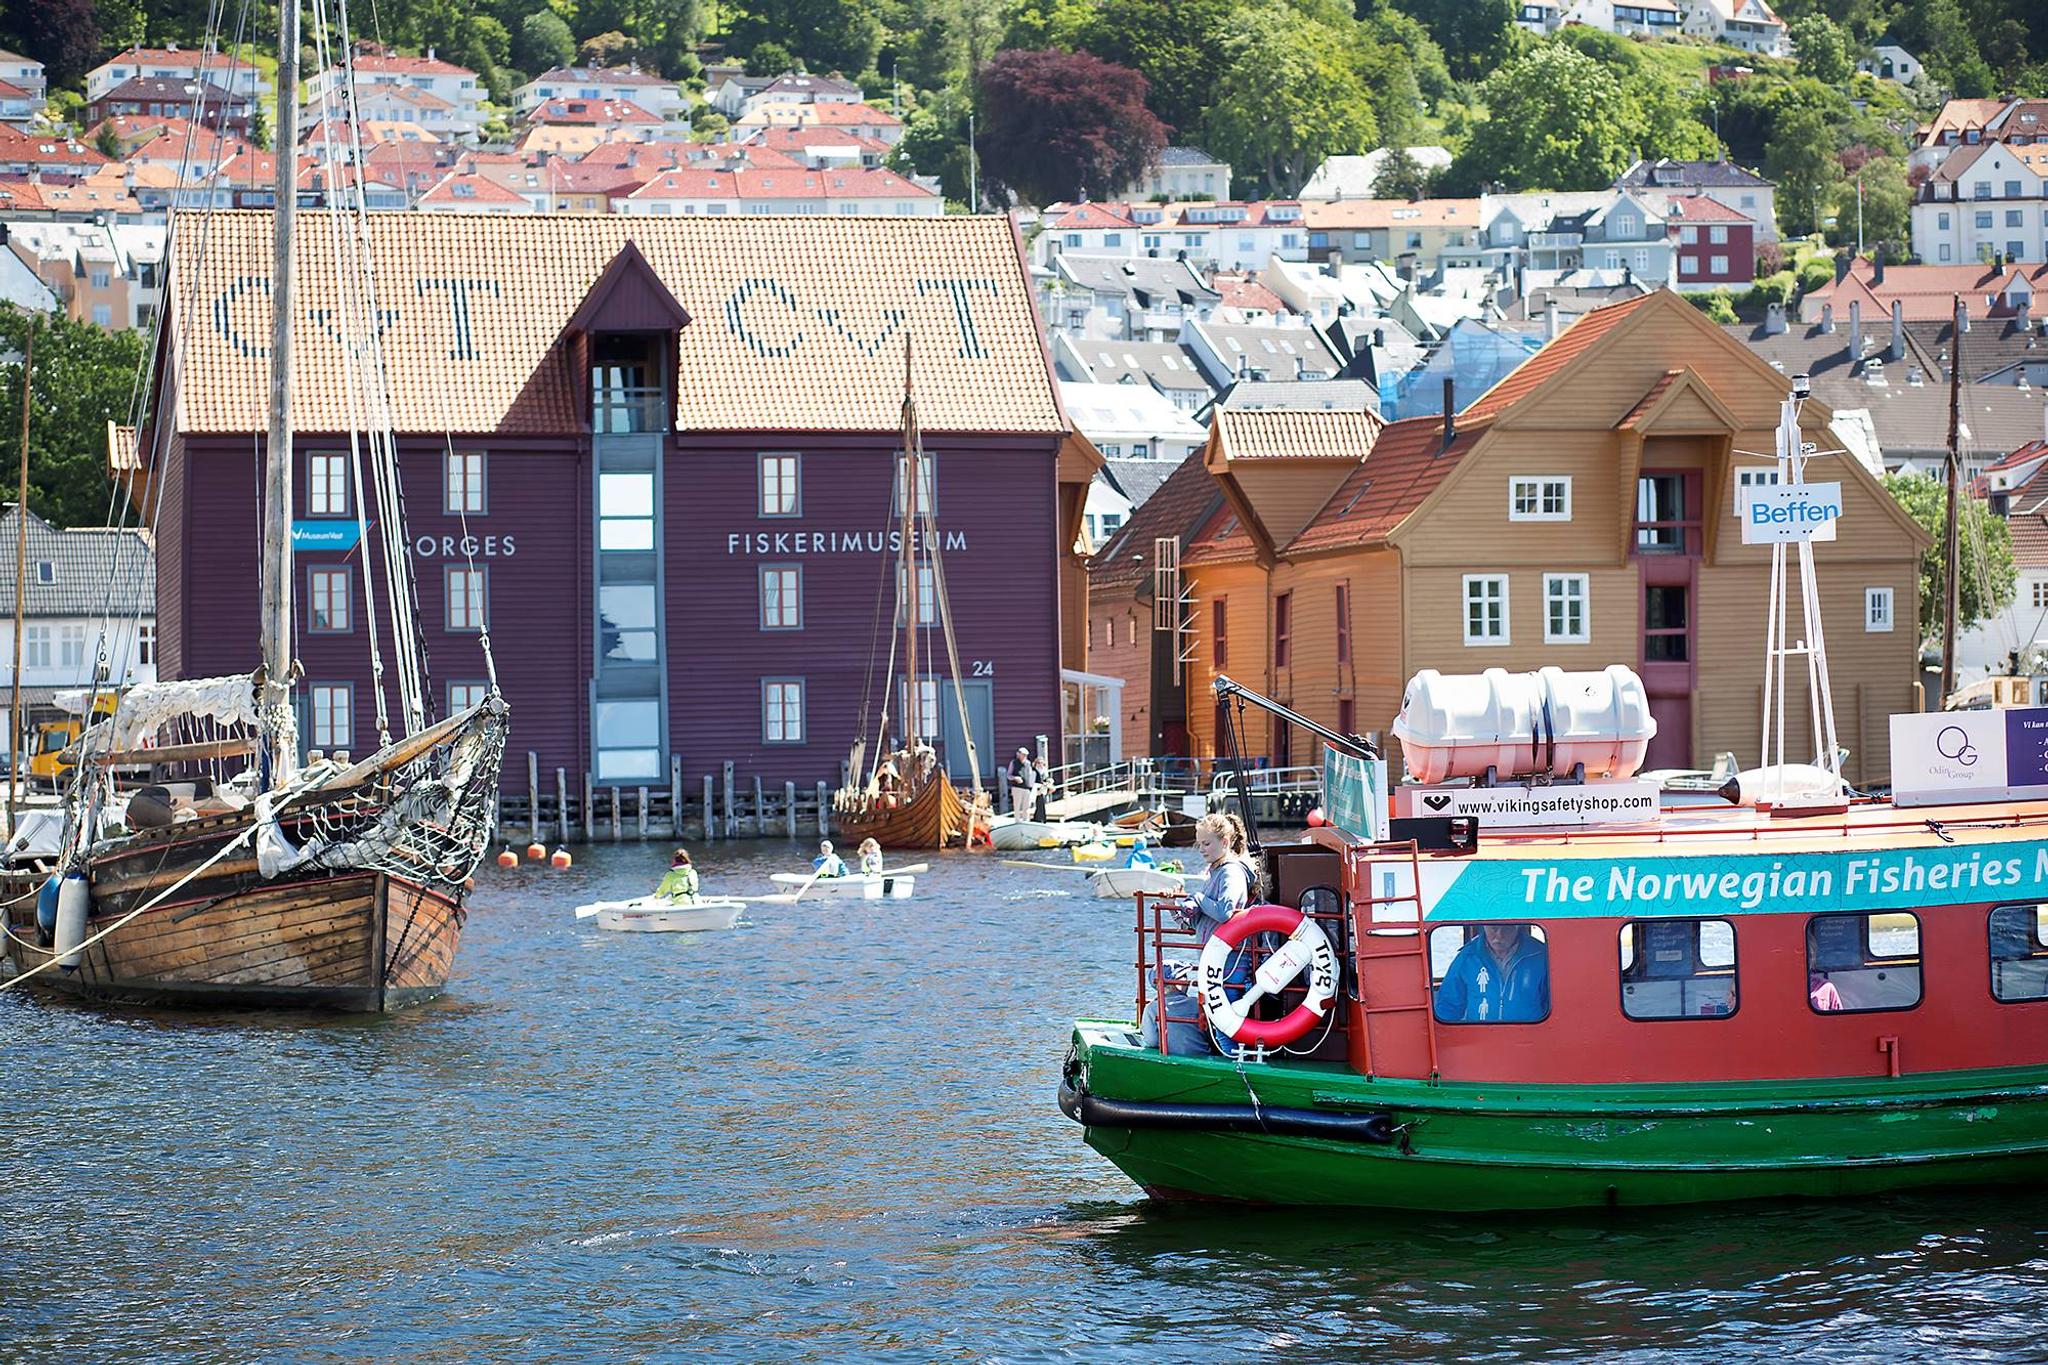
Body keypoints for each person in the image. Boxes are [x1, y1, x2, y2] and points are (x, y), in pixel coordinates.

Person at [1139, 811, 1260, 1055]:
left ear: (1224, 843)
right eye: (1199, 844)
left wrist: (1199, 898)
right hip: (1216, 959)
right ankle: (1230, 1059)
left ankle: (1234, 1064)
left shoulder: (1230, 872)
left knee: (1225, 1018)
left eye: (1206, 843)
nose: (1201, 849)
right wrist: (1178, 905)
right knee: (1219, 1016)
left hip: (1230, 961)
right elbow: (1199, 923)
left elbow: (1226, 911)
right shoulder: (1216, 872)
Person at [1433, 924, 1549, 1023]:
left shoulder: (1541, 956)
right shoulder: (1467, 957)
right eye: (1493, 928)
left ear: (1517, 926)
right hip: (1479, 1040)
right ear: (1484, 926)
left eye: (1506, 928)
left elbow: (1553, 1003)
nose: (1499, 935)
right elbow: (1448, 1007)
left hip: (1530, 1040)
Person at [1007, 746, 1038, 818]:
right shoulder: (1013, 762)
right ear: (1018, 754)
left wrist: (1031, 785)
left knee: (1026, 806)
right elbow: (1008, 775)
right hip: (1017, 787)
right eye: (1023, 754)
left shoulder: (1028, 763)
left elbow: (1030, 774)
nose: (1024, 756)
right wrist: (1015, 778)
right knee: (1017, 806)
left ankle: (1026, 821)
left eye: (1025, 755)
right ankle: (1017, 821)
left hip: (1027, 788)